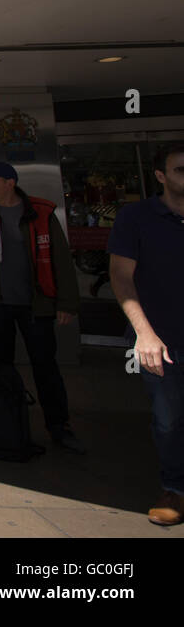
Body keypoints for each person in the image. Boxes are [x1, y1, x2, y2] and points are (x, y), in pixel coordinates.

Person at [0, 162, 84, 453]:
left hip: (35, 304)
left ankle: (59, 427)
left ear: (10, 182)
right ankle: (5, 423)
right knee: (0, 366)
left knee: (45, 366)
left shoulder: (40, 212)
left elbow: (60, 259)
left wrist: (66, 303)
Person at [108, 143, 184, 525]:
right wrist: (144, 333)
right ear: (161, 176)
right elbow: (121, 277)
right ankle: (175, 487)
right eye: (180, 170)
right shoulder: (136, 217)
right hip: (162, 338)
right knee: (168, 418)